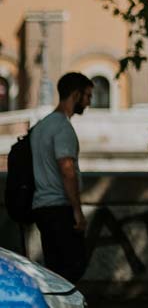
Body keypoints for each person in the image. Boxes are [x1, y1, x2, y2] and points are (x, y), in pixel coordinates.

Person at [30, 72, 93, 284]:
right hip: (60, 208)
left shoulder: (41, 127)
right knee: (72, 269)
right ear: (75, 95)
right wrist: (77, 211)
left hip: (42, 207)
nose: (89, 102)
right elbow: (67, 169)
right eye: (87, 96)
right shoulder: (62, 128)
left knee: (56, 271)